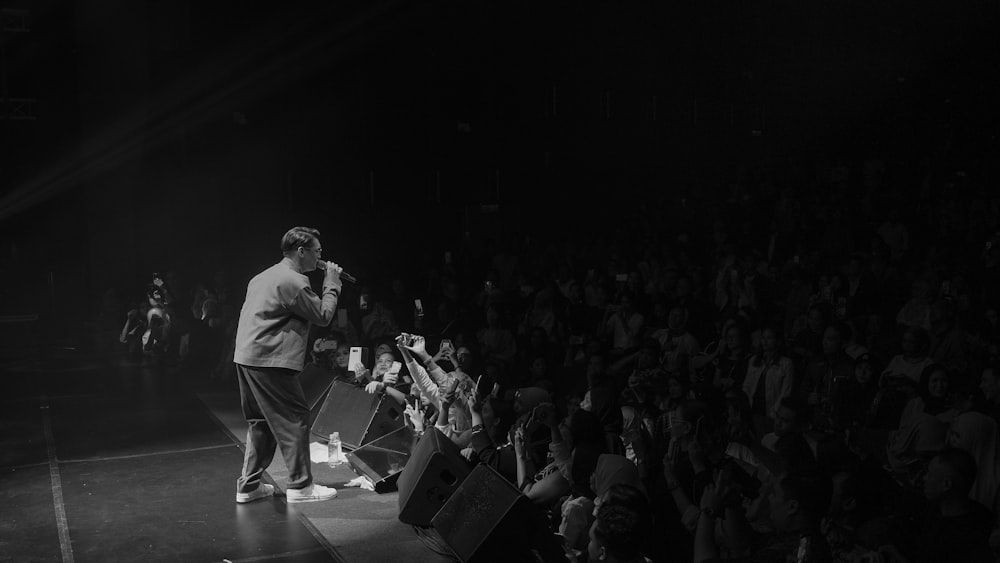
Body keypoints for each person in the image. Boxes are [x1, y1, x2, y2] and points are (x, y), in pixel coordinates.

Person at [232, 226, 343, 504]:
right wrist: (332, 283)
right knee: (294, 418)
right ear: (302, 251)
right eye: (317, 251)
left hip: (246, 357)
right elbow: (323, 315)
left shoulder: (263, 276)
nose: (321, 256)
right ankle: (301, 487)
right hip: (270, 360)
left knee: (261, 423)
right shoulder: (292, 281)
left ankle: (248, 487)